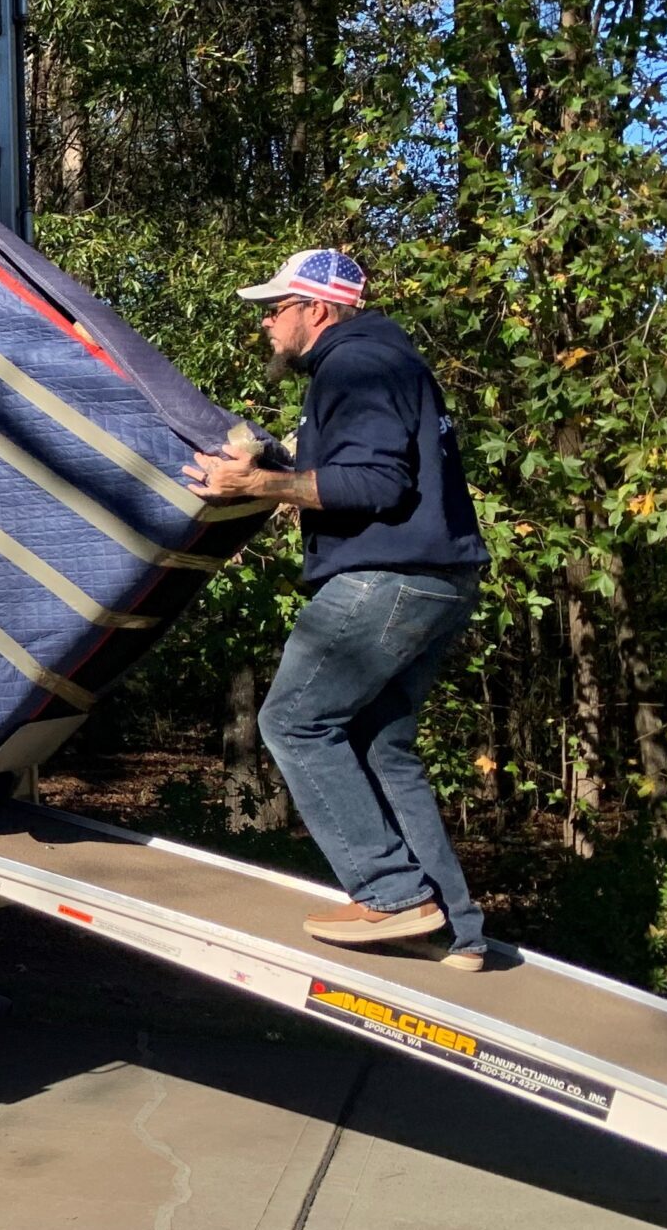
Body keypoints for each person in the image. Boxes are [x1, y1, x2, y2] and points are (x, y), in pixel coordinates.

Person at [183, 250, 493, 971]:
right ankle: (454, 928)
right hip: (437, 579)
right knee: (382, 744)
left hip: (386, 580)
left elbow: (376, 483)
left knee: (292, 720)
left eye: (275, 307)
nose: (265, 321)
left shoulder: (352, 366)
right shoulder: (389, 361)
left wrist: (257, 484)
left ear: (315, 310)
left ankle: (390, 893)